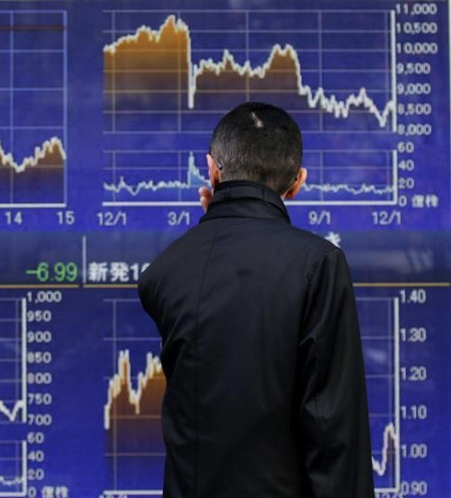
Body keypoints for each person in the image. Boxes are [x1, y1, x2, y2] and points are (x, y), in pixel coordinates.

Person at [137, 102, 375, 497]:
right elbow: (332, 432)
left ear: (212, 169)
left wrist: (216, 226)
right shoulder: (319, 264)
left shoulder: (165, 270)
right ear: (298, 182)